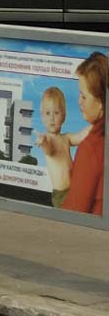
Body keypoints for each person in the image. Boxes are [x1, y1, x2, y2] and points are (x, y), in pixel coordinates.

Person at [57, 53, 105, 216]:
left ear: (101, 103)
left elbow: (73, 215)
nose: (79, 101)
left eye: (84, 96)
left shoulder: (91, 149)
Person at [38, 85, 74, 204]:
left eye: (56, 112)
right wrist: (43, 142)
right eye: (47, 113)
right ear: (42, 117)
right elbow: (48, 151)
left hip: (74, 189)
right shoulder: (49, 140)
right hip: (61, 195)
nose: (52, 118)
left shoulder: (66, 138)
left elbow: (81, 136)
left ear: (64, 116)